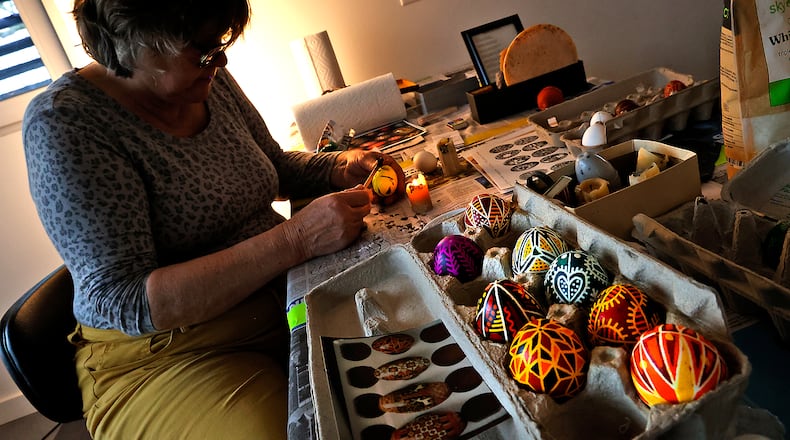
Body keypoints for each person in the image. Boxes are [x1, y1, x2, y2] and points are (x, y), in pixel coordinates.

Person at [22, 0, 405, 438]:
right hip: (168, 354)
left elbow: (274, 167)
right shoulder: (66, 123)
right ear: (137, 44)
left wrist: (337, 166)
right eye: (203, 49)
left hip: (280, 300)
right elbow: (123, 299)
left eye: (219, 43)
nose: (219, 60)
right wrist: (295, 240)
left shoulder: (204, 80)